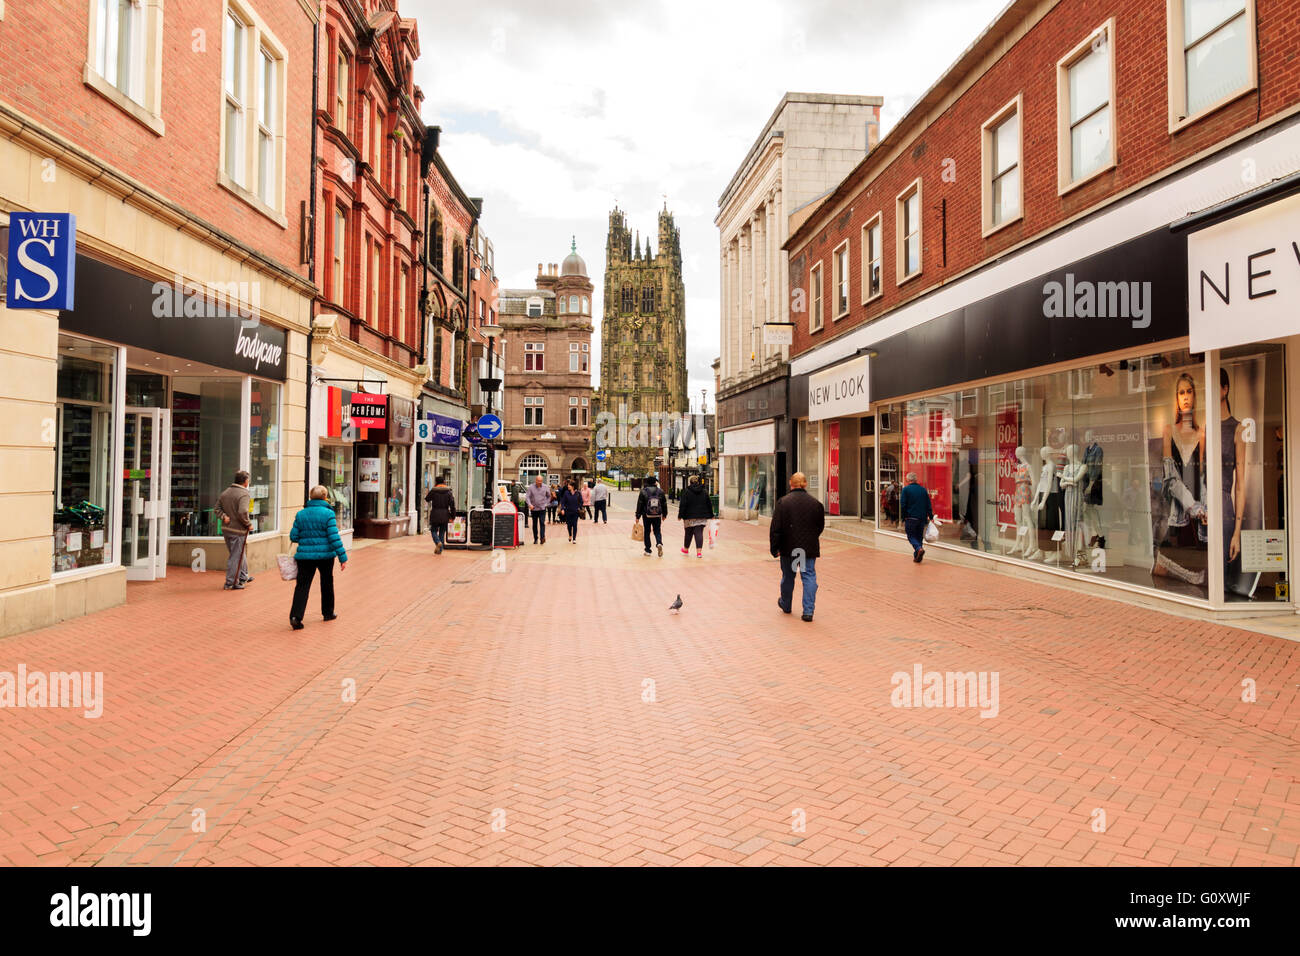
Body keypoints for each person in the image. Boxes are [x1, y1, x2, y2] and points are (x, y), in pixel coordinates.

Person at [288, 485, 349, 630]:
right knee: (327, 583)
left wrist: (307, 536)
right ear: (324, 497)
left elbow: (294, 536)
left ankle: (296, 616)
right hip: (325, 556)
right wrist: (343, 557)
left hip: (304, 556)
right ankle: (328, 613)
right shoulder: (328, 514)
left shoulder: (301, 514)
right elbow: (334, 537)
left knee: (302, 586)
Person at [770, 472, 825, 622]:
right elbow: (820, 526)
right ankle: (808, 611)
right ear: (805, 484)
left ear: (790, 483)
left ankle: (786, 604)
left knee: (789, 576)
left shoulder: (783, 503)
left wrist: (775, 548)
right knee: (808, 576)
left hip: (789, 548)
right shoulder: (816, 504)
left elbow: (776, 527)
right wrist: (811, 537)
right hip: (807, 548)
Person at [216, 469, 254, 590]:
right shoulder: (244, 494)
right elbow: (243, 512)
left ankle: (243, 575)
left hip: (227, 529)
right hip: (238, 530)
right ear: (245, 481)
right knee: (236, 556)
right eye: (248, 480)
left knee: (238, 553)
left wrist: (223, 516)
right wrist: (248, 524)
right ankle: (231, 582)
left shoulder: (226, 492)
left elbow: (217, 508)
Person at [900, 472, 934, 563]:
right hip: (922, 518)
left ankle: (919, 549)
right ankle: (917, 557)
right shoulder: (923, 490)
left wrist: (904, 517)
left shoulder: (906, 490)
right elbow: (928, 504)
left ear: (908, 480)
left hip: (911, 517)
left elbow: (903, 505)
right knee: (919, 537)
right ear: (916, 480)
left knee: (911, 536)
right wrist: (930, 516)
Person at [677, 474, 714, 557]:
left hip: (689, 516)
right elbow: (709, 503)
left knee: (688, 533)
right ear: (698, 482)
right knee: (699, 533)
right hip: (701, 515)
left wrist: (680, 515)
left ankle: (686, 549)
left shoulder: (686, 491)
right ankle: (699, 552)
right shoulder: (704, 491)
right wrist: (711, 515)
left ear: (690, 482)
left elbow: (683, 504)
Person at [636, 475, 668, 557]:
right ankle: (659, 543)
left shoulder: (643, 491)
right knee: (657, 530)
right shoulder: (660, 491)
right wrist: (664, 514)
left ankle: (648, 550)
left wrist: (637, 516)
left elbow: (640, 504)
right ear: (655, 482)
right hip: (657, 515)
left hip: (646, 515)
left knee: (647, 531)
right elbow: (664, 504)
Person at [424, 475, 454, 554]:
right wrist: (452, 516)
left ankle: (437, 542)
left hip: (435, 514)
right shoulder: (448, 492)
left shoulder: (434, 491)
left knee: (433, 530)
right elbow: (452, 505)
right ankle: (440, 550)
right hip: (445, 514)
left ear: (436, 482)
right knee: (442, 532)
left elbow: (427, 499)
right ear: (444, 482)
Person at [525, 475, 551, 545]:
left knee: (542, 523)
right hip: (534, 509)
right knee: (534, 524)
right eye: (538, 481)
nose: (539, 482)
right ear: (535, 480)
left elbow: (549, 496)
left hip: (542, 508)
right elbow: (527, 497)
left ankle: (542, 538)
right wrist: (530, 504)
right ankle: (535, 538)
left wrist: (546, 504)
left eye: (541, 481)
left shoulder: (545, 487)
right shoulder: (531, 487)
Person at [558, 478, 584, 543]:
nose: (568, 486)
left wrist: (579, 507)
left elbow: (581, 501)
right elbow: (563, 502)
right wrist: (562, 509)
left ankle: (574, 538)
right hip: (568, 512)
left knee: (575, 525)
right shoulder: (566, 493)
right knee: (569, 525)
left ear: (573, 486)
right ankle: (570, 535)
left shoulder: (578, 493)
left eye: (569, 485)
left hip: (575, 512)